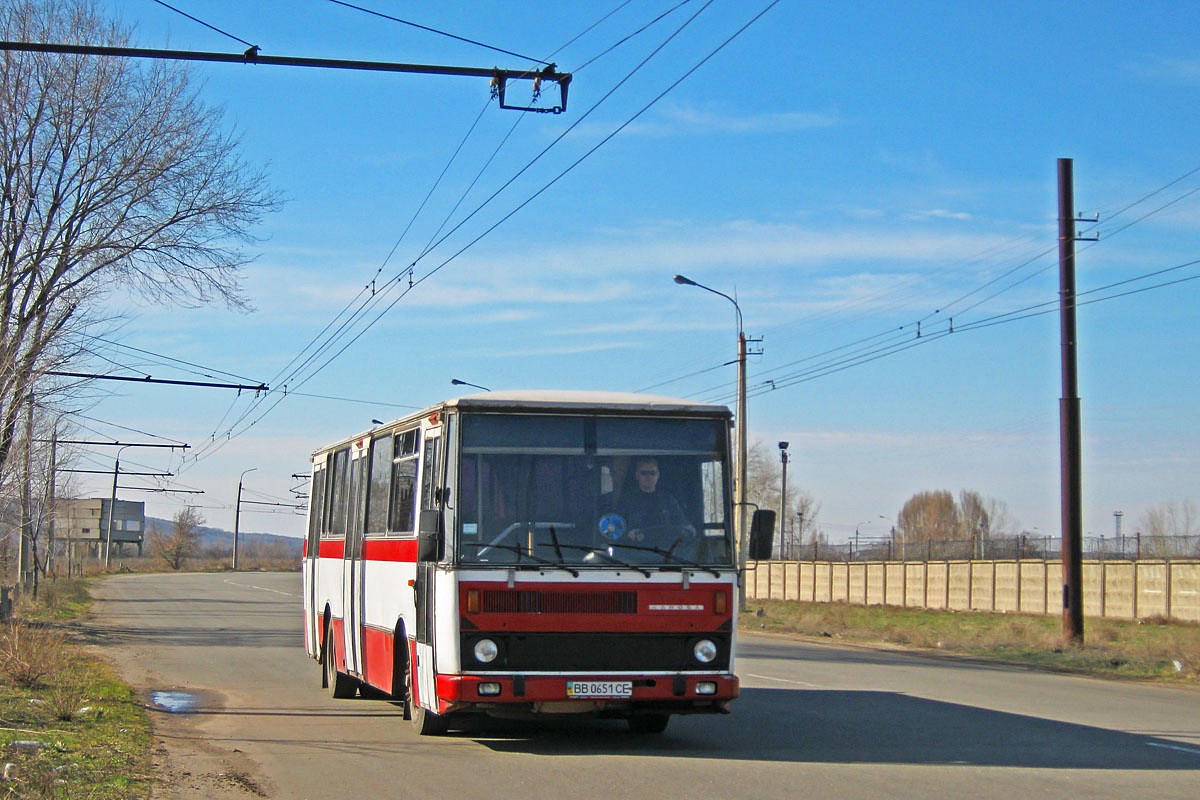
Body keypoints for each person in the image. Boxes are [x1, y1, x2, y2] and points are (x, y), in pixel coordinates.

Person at [616, 457, 694, 543]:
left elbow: (682, 523)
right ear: (637, 475)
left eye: (652, 473)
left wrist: (689, 530)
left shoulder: (668, 499)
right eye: (644, 473)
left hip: (666, 550)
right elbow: (616, 529)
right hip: (635, 550)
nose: (648, 477)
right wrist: (628, 534)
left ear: (658, 475)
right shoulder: (626, 500)